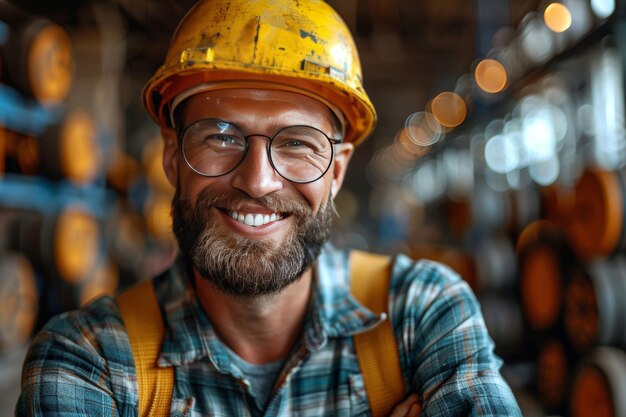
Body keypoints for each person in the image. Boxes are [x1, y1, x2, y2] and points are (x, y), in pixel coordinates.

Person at [16, 0, 522, 416]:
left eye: (298, 144)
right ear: (172, 158)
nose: (258, 181)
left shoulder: (423, 314)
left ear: (338, 172)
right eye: (219, 136)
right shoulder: (89, 358)